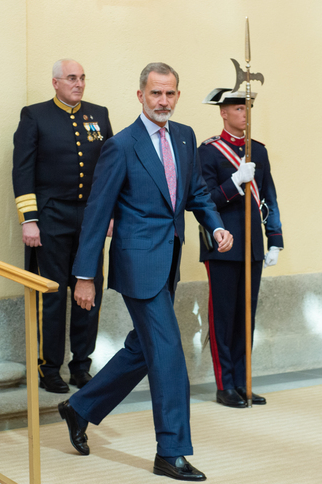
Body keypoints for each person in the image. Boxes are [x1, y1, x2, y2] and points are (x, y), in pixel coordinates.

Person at [58, 63, 233, 481]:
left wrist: (216, 224)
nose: (163, 102)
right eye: (156, 94)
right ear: (140, 95)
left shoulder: (186, 137)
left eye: (170, 94)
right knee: (169, 352)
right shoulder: (121, 145)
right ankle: (170, 451)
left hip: (168, 261)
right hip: (137, 264)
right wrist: (84, 275)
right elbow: (98, 214)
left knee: (143, 349)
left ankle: (79, 407)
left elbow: (195, 192)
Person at [12, 59, 113, 393]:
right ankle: (49, 367)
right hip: (51, 218)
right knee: (52, 296)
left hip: (90, 220)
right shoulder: (35, 115)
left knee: (88, 293)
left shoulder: (98, 114)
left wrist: (111, 213)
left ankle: (81, 366)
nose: (79, 84)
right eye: (72, 78)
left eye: (83, 78)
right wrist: (30, 220)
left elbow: (110, 170)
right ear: (55, 82)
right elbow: (23, 170)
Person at [198, 88, 283, 408]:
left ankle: (243, 381)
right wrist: (234, 182)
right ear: (223, 112)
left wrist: (274, 240)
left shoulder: (257, 151)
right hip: (223, 247)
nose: (245, 114)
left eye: (247, 108)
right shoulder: (208, 152)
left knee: (247, 318)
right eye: (238, 108)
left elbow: (269, 198)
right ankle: (225, 385)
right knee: (223, 318)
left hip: (253, 247)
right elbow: (204, 201)